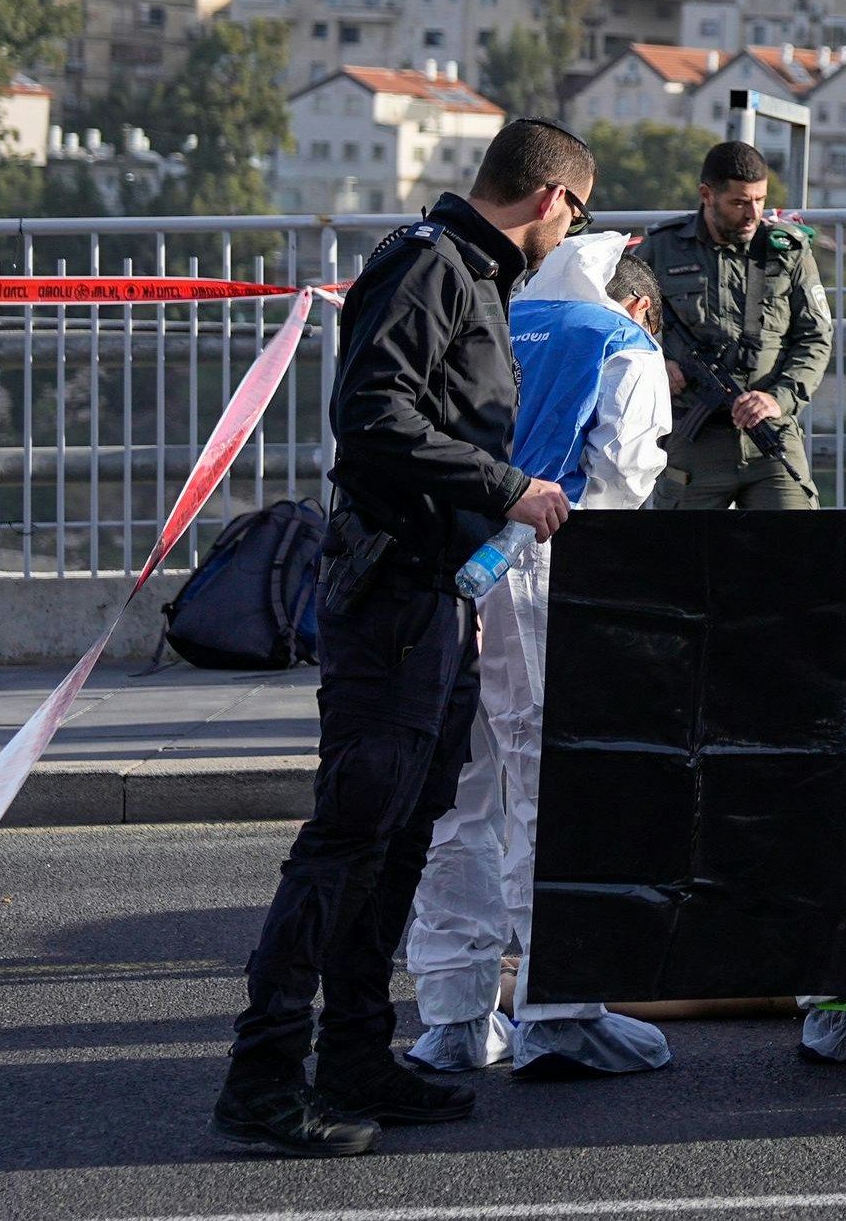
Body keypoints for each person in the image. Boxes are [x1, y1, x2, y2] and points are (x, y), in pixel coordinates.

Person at [216, 118, 588, 1159]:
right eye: (576, 214)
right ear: (552, 198)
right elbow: (373, 420)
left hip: (430, 595)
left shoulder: (463, 268)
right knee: (348, 841)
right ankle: (264, 1074)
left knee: (402, 836)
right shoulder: (432, 268)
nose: (569, 232)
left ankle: (356, 1055)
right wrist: (509, 488)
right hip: (392, 596)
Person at [402, 232, 675, 1080]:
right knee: (550, 787)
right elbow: (626, 475)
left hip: (448, 561)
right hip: (547, 564)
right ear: (638, 306)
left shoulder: (495, 317)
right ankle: (559, 1009)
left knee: (458, 789)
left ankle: (452, 1015)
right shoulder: (620, 344)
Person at [642, 140, 831, 510]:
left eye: (760, 200)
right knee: (676, 561)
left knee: (805, 552)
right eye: (740, 202)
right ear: (707, 195)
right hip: (693, 439)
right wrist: (654, 366)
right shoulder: (661, 248)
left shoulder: (787, 250)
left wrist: (779, 398)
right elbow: (616, 324)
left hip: (770, 437)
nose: (753, 213)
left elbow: (816, 337)